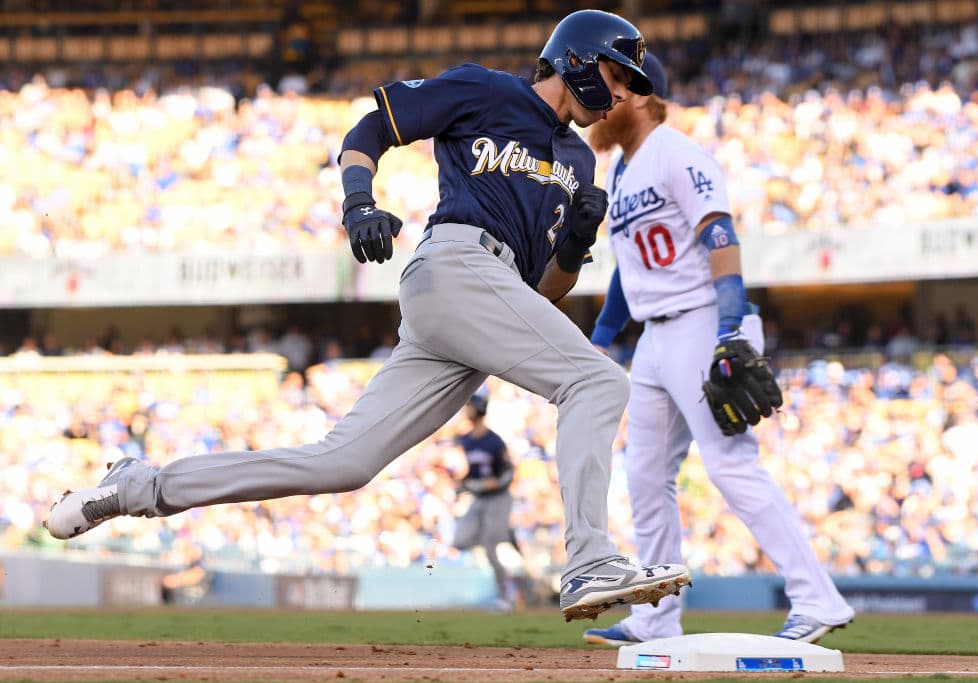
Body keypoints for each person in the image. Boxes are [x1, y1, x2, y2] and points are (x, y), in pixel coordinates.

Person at [45, 9, 691, 623]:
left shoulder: (579, 162)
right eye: (615, 74)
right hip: (457, 266)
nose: (621, 92)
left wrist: (575, 245)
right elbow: (369, 129)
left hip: (482, 308)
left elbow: (540, 294)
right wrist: (358, 202)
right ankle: (588, 560)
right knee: (599, 380)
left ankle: (140, 487)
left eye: (630, 84)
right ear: (575, 58)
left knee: (341, 464)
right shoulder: (487, 89)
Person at [581, 54, 855, 645]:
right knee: (646, 477)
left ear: (637, 92)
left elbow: (720, 235)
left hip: (703, 320)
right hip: (655, 337)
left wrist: (731, 326)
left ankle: (817, 598)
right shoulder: (622, 173)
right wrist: (602, 339)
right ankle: (655, 617)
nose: (598, 106)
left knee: (731, 466)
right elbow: (629, 273)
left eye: (607, 91)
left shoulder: (678, 153)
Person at [451, 392, 518, 612]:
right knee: (460, 540)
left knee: (490, 547)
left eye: (469, 406)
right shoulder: (467, 440)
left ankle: (506, 595)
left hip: (497, 498)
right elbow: (473, 472)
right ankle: (503, 533)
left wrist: (495, 483)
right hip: (480, 498)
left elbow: (508, 472)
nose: (466, 410)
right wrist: (463, 484)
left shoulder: (494, 440)